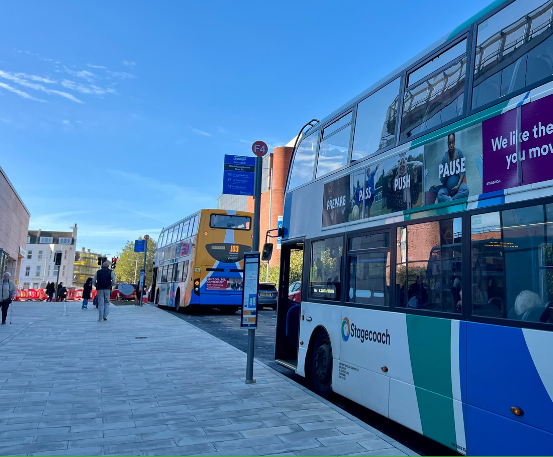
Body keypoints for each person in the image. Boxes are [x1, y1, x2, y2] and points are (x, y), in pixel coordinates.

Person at [436, 133, 469, 202]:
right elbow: (442, 180)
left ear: (454, 142)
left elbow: (463, 172)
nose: (451, 145)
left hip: (458, 186)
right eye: (449, 143)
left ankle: (451, 199)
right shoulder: (444, 158)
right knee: (439, 195)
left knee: (466, 190)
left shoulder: (459, 153)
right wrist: (449, 169)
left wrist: (458, 186)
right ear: (447, 143)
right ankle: (450, 200)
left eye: (452, 143)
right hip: (447, 189)